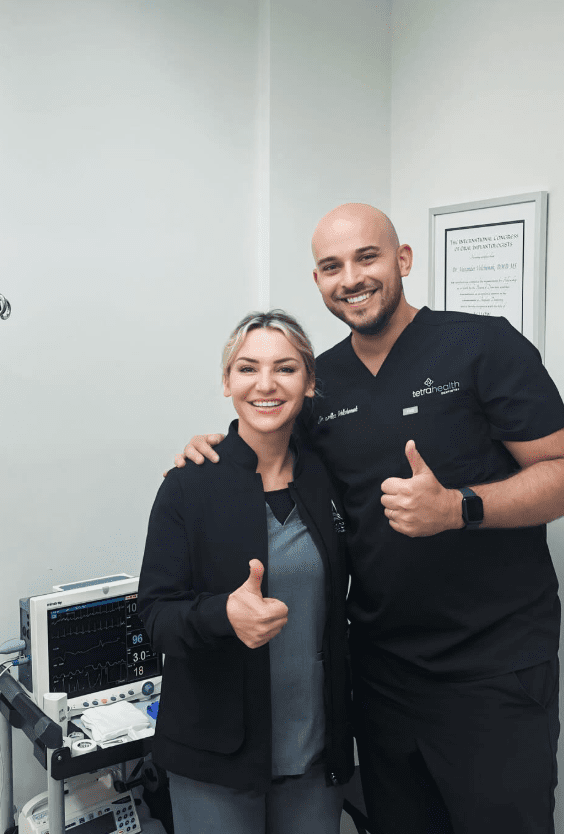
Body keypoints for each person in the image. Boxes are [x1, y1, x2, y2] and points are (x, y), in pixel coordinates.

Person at [174, 204, 564, 834]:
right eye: (330, 266)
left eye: (366, 258)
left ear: (403, 261)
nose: (351, 278)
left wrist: (458, 507)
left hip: (491, 666)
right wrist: (208, 452)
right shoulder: (323, 385)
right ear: (317, 282)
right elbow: (269, 442)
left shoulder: (482, 345)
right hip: (381, 673)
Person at [138, 310, 354, 834]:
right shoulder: (188, 487)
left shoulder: (328, 476)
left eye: (285, 369)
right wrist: (222, 615)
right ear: (227, 381)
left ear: (309, 382)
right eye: (247, 368)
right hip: (216, 757)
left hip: (312, 753)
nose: (265, 384)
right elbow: (153, 615)